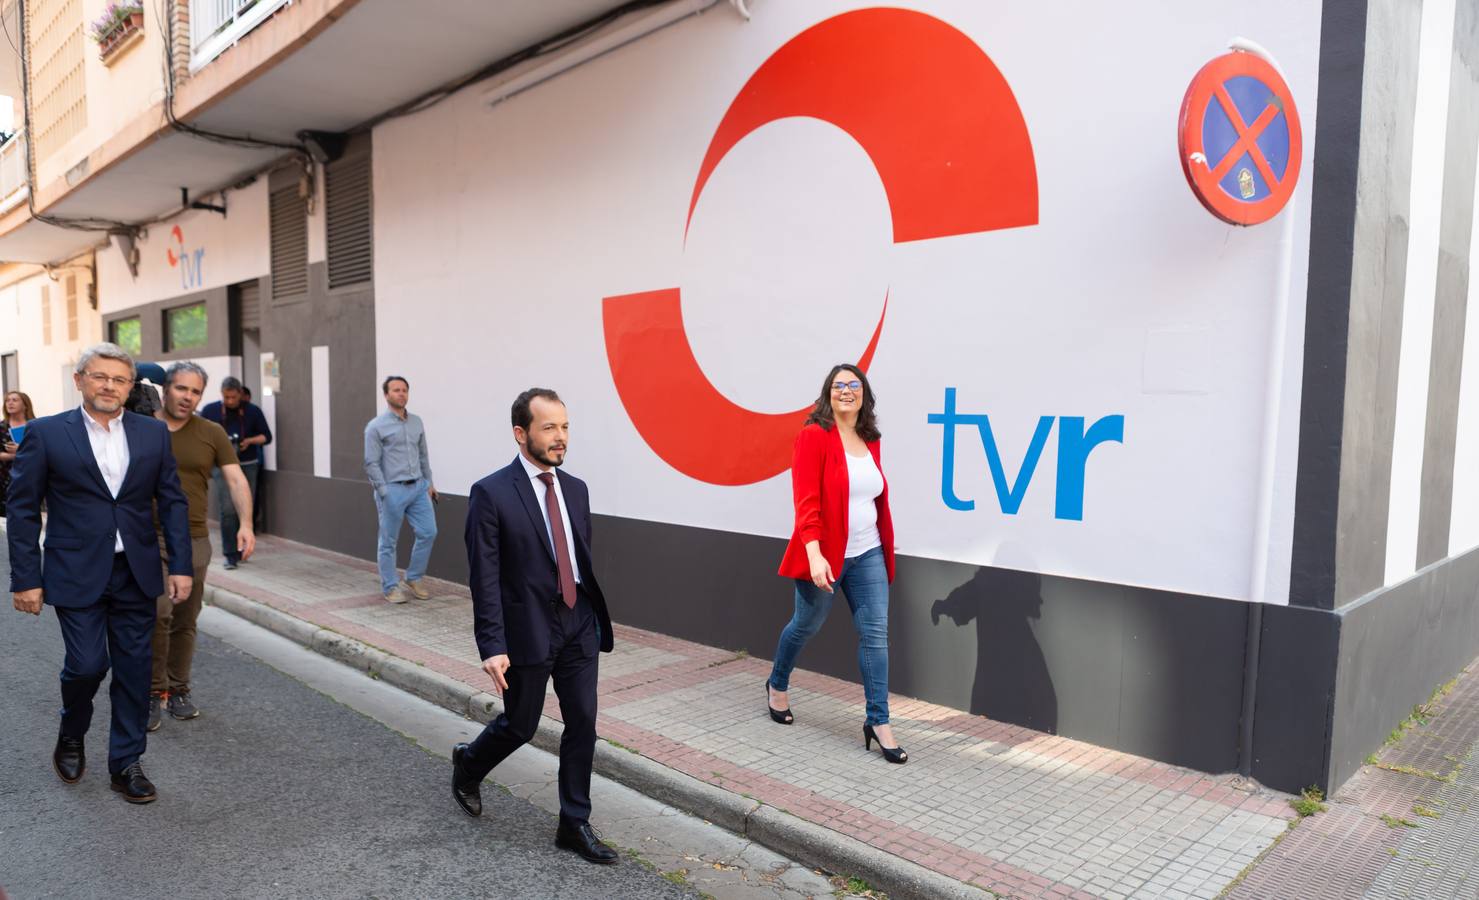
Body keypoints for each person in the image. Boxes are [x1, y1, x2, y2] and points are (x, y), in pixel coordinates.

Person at [7, 343, 192, 804]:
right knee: (87, 665)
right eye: (100, 377)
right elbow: (24, 507)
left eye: (120, 379)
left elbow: (171, 501)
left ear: (131, 387)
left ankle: (125, 763)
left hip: (136, 570)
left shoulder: (153, 434)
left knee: (134, 669)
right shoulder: (47, 433)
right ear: (80, 380)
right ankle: (72, 730)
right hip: (74, 570)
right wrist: (26, 578)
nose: (109, 386)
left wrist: (182, 566)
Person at [452, 388, 618, 864]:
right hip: (528, 628)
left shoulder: (576, 489)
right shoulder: (491, 492)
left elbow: (577, 558)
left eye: (565, 426)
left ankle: (573, 822)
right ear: (521, 433)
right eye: (550, 428)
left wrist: (587, 611)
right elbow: (484, 574)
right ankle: (469, 762)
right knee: (520, 725)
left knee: (582, 720)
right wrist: (491, 642)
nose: (560, 437)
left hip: (578, 622)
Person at [767, 364, 907, 764]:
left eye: (855, 385)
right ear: (828, 393)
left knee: (876, 634)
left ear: (864, 394)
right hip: (825, 555)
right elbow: (806, 499)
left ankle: (878, 721)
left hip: (868, 553)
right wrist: (813, 554)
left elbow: (871, 497)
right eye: (839, 385)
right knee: (806, 625)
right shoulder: (813, 437)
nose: (847, 391)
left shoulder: (870, 438)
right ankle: (777, 682)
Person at [149, 362, 257, 730]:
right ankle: (152, 691)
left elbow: (236, 479)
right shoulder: (141, 426)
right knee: (157, 612)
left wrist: (245, 524)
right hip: (146, 536)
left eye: (195, 392)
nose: (188, 397)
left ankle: (178, 689)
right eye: (181, 389)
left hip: (193, 537)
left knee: (184, 617)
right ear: (166, 389)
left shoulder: (211, 432)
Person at [363, 376, 438, 603]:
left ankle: (413, 577)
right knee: (388, 541)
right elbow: (371, 462)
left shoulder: (417, 422)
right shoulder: (376, 427)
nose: (401, 394)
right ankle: (390, 586)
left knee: (428, 532)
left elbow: (423, 455)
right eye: (396, 390)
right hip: (392, 490)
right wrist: (384, 491)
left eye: (404, 390)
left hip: (418, 488)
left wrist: (430, 484)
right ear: (386, 395)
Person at [199, 376, 271, 570]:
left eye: (233, 397)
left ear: (240, 394)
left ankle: (243, 548)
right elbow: (199, 436)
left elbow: (267, 436)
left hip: (248, 464)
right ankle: (230, 554)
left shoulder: (253, 411)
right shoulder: (210, 410)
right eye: (226, 397)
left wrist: (249, 441)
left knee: (246, 508)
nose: (229, 401)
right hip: (221, 466)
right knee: (228, 509)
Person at [0, 390, 36, 517]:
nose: (10, 403)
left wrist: (20, 449)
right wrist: (17, 455)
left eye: (14, 400)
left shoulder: (36, 426)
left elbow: (43, 450)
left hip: (31, 476)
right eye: (7, 401)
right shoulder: (1, 427)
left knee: (28, 514)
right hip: (5, 478)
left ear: (25, 405)